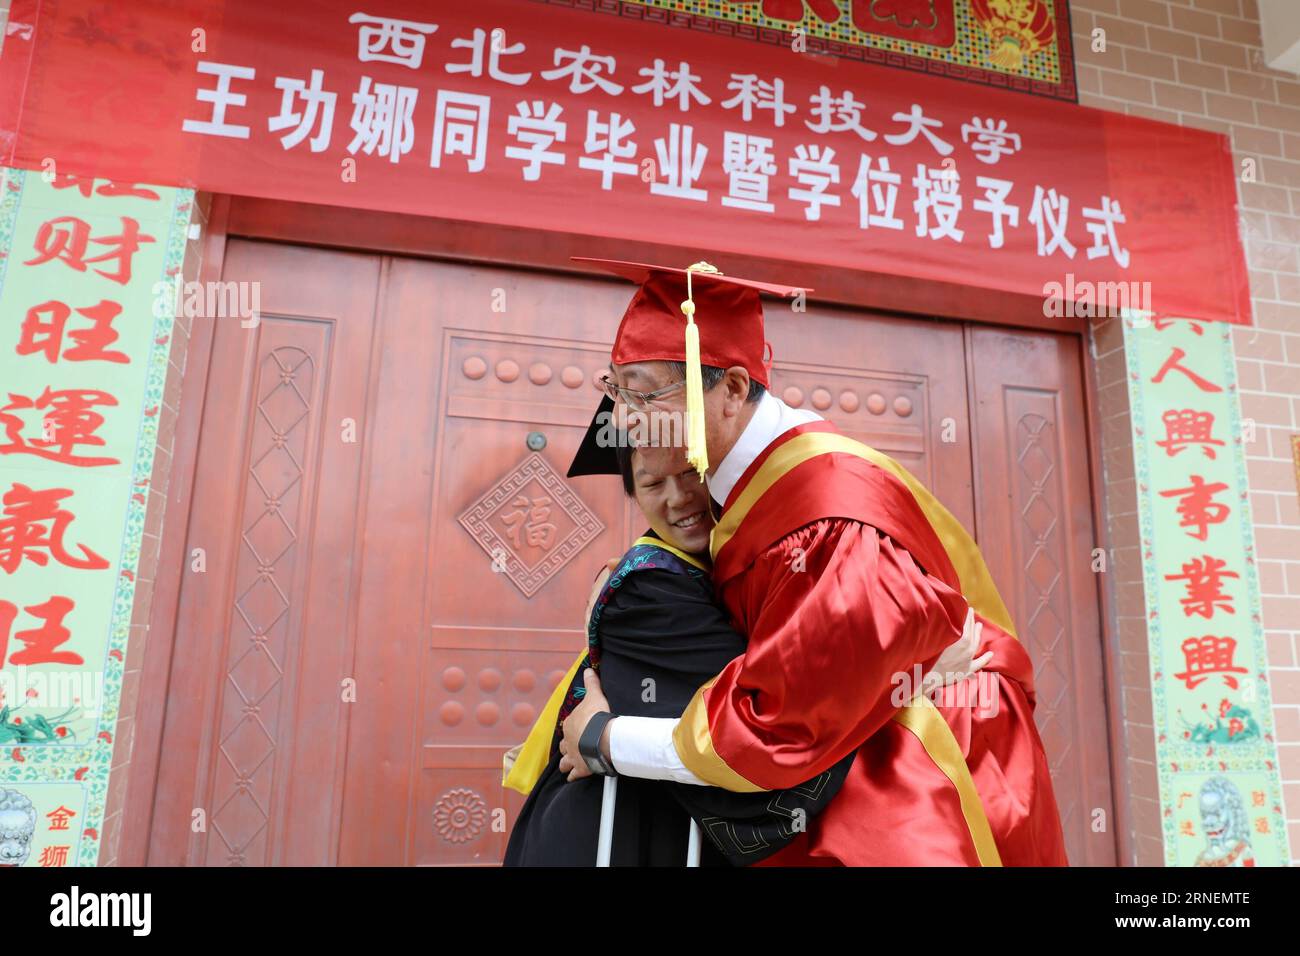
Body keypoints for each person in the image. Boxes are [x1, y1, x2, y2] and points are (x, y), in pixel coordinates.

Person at [557, 256, 1070, 866]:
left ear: (734, 390)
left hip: (935, 763)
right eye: (617, 390)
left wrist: (605, 740)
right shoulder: (744, 489)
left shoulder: (824, 515)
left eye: (646, 395)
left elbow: (777, 725)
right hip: (867, 742)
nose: (625, 420)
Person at [502, 414, 859, 865]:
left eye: (691, 472)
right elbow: (768, 715)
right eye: (652, 485)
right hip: (610, 835)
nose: (678, 498)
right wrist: (890, 666)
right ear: (634, 495)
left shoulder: (725, 572)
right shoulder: (648, 588)